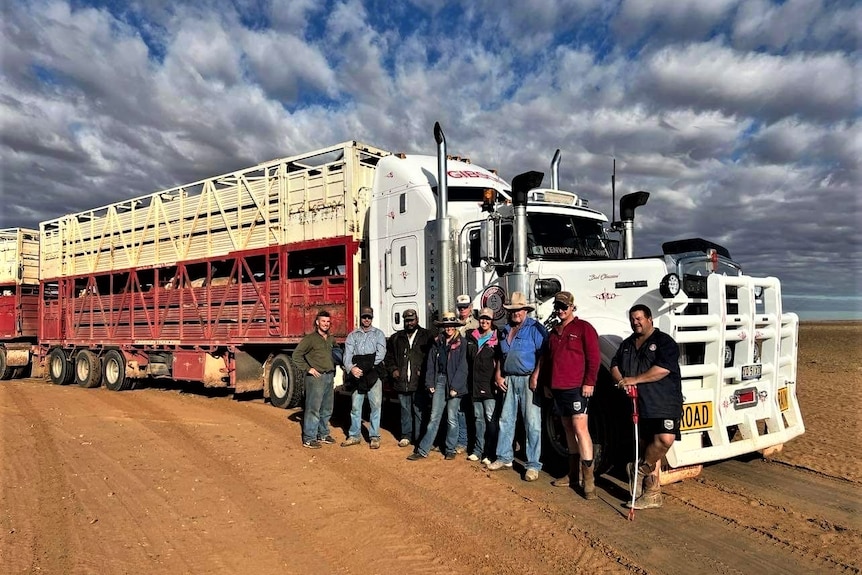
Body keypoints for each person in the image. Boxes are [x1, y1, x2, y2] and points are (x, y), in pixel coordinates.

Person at [611, 304, 683, 510]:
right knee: (647, 445)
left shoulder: (664, 342)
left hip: (664, 402)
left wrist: (634, 379)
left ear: (650, 318)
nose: (636, 322)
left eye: (639, 318)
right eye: (633, 319)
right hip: (639, 404)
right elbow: (614, 364)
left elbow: (662, 370)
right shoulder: (627, 344)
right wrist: (621, 381)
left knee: (664, 440)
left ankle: (639, 470)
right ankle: (652, 493)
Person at [541, 291, 600, 499]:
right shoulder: (554, 332)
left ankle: (589, 480)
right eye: (557, 306)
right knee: (566, 427)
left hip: (577, 388)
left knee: (580, 428)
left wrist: (589, 382)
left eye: (564, 306)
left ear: (572, 307)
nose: (560, 310)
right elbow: (548, 361)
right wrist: (548, 384)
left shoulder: (584, 328)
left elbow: (594, 358)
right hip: (558, 388)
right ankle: (573, 474)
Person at [487, 292, 548, 481]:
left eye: (519, 310)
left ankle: (532, 465)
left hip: (528, 378)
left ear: (525, 310)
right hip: (509, 379)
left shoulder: (535, 328)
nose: (516, 313)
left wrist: (536, 376)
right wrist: (498, 374)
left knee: (532, 422)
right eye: (513, 310)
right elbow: (500, 355)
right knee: (506, 419)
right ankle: (504, 457)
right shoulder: (505, 330)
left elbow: (543, 354)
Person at [407, 311, 469, 461]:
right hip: (439, 379)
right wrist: (430, 382)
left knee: (452, 417)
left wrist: (455, 386)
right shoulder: (437, 342)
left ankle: (450, 448)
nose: (449, 328)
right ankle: (423, 450)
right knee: (434, 417)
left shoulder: (462, 343)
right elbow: (430, 364)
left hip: (455, 381)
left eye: (451, 326)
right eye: (446, 326)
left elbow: (463, 367)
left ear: (455, 327)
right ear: (443, 327)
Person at [384, 308, 433, 447]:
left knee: (419, 411)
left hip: (419, 381)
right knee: (405, 410)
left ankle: (419, 437)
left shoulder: (427, 335)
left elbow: (431, 357)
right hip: (402, 381)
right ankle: (406, 435)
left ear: (417, 319)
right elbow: (389, 357)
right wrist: (393, 369)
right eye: (407, 321)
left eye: (412, 320)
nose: (410, 323)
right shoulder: (396, 338)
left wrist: (424, 372)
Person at [342, 306, 387, 449]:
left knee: (376, 406)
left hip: (373, 372)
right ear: (360, 318)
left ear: (372, 318)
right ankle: (354, 435)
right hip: (358, 375)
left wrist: (366, 366)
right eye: (364, 317)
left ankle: (374, 436)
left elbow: (381, 353)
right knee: (355, 406)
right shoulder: (352, 335)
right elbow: (347, 355)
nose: (366, 319)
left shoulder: (378, 334)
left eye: (369, 317)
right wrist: (351, 368)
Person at [292, 309, 336, 449]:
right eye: (323, 321)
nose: (326, 324)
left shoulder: (330, 338)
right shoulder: (310, 339)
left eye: (328, 321)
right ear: (317, 322)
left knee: (327, 408)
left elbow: (336, 353)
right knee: (313, 408)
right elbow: (296, 355)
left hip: (329, 376)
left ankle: (322, 434)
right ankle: (309, 438)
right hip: (316, 378)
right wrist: (308, 369)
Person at [466, 307, 501, 464]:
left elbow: (501, 360)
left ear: (492, 320)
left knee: (490, 419)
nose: (484, 321)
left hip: (489, 385)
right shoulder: (471, 336)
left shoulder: (497, 338)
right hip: (474, 384)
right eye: (482, 318)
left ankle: (490, 452)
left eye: (487, 318)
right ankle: (478, 450)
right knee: (478, 419)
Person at [454, 294, 476, 453]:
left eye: (465, 307)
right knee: (459, 409)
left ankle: (473, 441)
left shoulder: (476, 324)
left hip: (471, 372)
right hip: (455, 371)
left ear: (471, 307)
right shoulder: (452, 325)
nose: (463, 310)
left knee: (473, 409)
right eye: (460, 307)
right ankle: (462, 441)